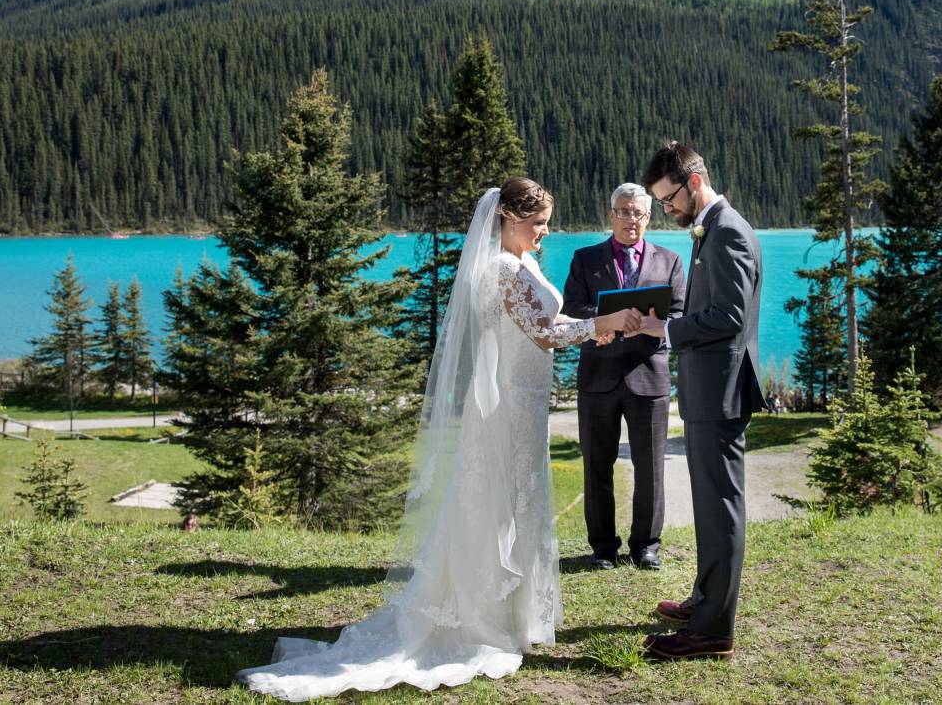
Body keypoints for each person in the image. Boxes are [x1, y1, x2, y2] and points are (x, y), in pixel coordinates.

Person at [236, 178, 640, 699]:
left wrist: (588, 325)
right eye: (538, 223)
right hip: (509, 404)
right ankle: (480, 615)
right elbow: (542, 334)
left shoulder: (525, 265)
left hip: (527, 401)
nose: (544, 232)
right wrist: (598, 322)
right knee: (496, 504)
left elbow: (545, 319)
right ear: (510, 221)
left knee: (520, 504)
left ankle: (515, 617)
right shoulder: (500, 269)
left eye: (545, 223)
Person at [629, 141, 765, 662]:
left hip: (721, 390)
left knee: (720, 508)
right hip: (713, 386)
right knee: (711, 506)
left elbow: (728, 317)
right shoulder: (716, 226)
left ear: (693, 181)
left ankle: (711, 631)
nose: (666, 209)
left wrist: (668, 328)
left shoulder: (727, 230)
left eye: (668, 199)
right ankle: (706, 601)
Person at [561, 183, 686, 571]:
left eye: (638, 213)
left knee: (651, 468)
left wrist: (653, 324)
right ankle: (602, 547)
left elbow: (682, 316)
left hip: (648, 377)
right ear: (611, 214)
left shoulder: (670, 261)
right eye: (624, 211)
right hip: (597, 375)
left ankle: (646, 545)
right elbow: (572, 310)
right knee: (597, 465)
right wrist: (605, 320)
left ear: (648, 217)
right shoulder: (585, 259)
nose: (631, 219)